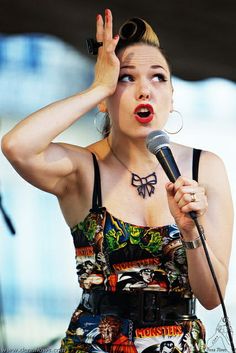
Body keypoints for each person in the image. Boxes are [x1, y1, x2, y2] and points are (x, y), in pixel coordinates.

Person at [1, 9, 233, 353]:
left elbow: (212, 296)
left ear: (172, 96)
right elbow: (16, 146)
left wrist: (189, 233)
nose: (145, 90)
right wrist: (97, 87)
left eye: (158, 78)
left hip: (179, 344)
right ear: (105, 98)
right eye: (126, 78)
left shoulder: (204, 168)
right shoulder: (82, 167)